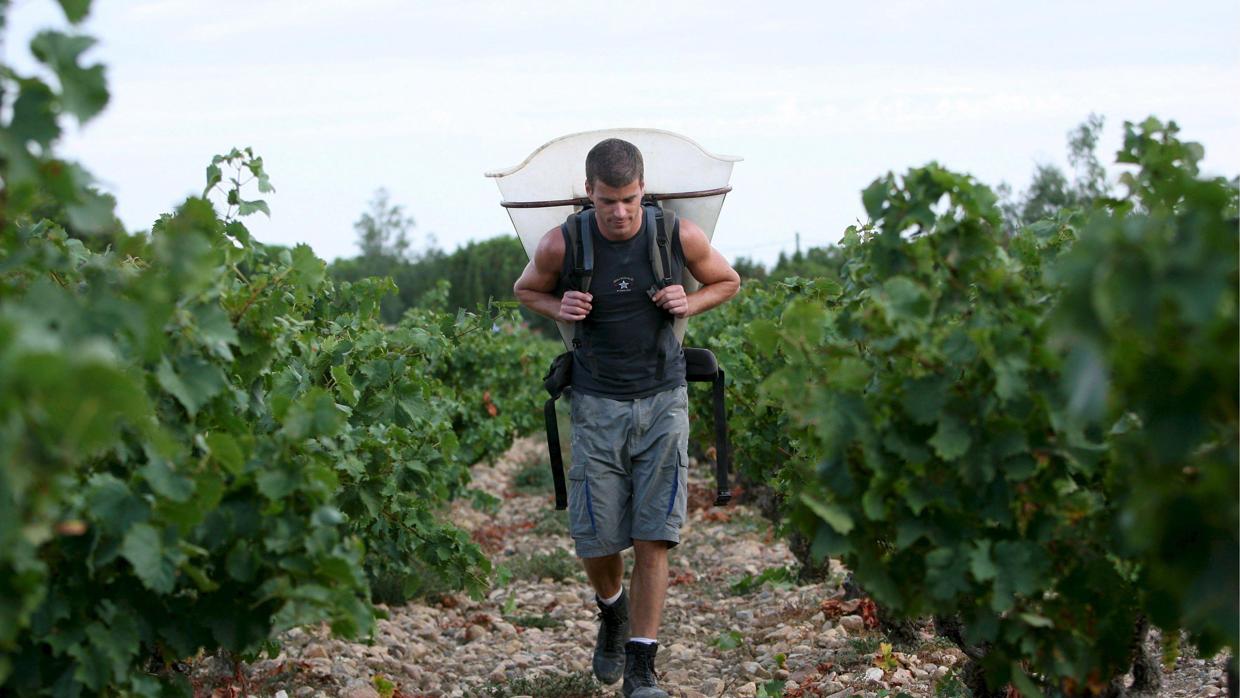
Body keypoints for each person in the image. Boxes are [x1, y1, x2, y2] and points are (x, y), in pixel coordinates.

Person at [513, 138, 740, 697]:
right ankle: (611, 611)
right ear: (589, 194)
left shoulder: (675, 235)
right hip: (595, 404)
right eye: (608, 200)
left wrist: (691, 302)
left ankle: (641, 666)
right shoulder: (560, 243)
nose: (619, 212)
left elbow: (727, 281)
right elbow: (525, 291)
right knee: (594, 540)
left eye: (630, 199)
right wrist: (556, 305)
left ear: (644, 189)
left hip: (664, 399)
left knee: (653, 536)